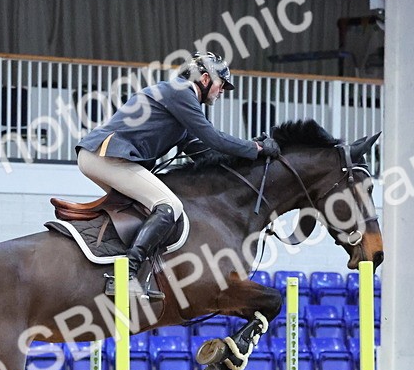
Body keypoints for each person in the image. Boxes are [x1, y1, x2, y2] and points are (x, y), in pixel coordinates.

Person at [75, 51, 281, 299]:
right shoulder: (180, 92)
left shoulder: (181, 109)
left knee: (144, 209)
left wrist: (252, 160)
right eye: (221, 84)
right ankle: (126, 276)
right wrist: (254, 148)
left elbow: (207, 155)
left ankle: (112, 265)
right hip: (105, 157)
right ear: (205, 79)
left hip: (103, 157)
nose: (223, 91)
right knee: (169, 204)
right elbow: (213, 138)